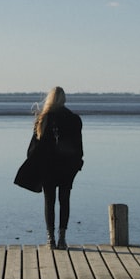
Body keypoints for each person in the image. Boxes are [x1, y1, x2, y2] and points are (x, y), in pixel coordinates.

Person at [27, 86, 83, 249]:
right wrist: (77, 164)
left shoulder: (43, 118)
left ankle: (50, 239)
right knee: (64, 200)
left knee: (49, 201)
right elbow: (79, 147)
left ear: (50, 99)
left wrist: (33, 163)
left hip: (48, 166)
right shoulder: (74, 119)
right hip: (67, 166)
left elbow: (33, 147)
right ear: (64, 99)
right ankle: (63, 239)